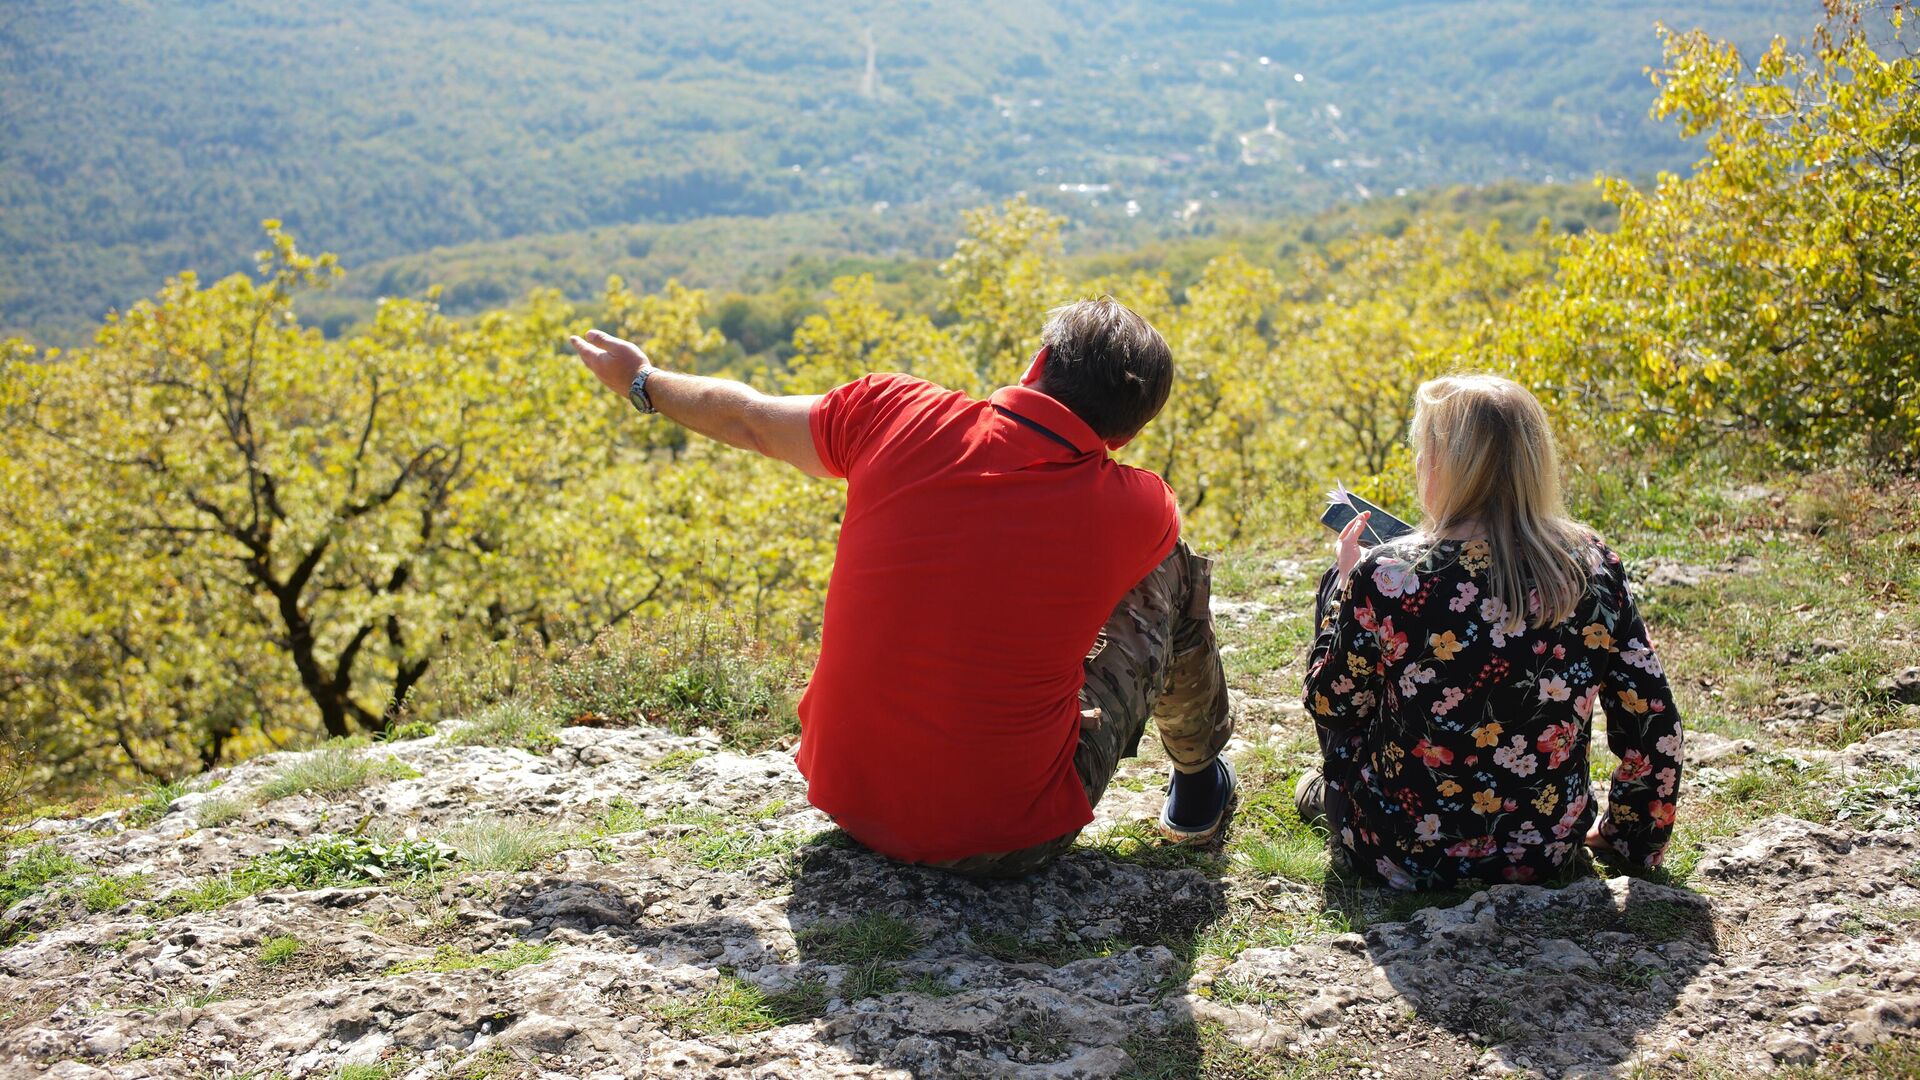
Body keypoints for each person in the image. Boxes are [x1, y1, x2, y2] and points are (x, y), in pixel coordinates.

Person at [568, 298, 1235, 877]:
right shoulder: (1139, 505)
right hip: (1009, 838)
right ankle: (1199, 787)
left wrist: (642, 380)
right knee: (1167, 565)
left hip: (849, 800)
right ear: (1128, 433)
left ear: (1036, 363)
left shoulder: (892, 412)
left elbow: (748, 418)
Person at [1296, 375, 1681, 890]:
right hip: (1544, 849)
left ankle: (1333, 792)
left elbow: (1333, 705)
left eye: (1422, 451)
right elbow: (1653, 724)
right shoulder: (1592, 566)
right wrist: (1631, 839)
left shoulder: (1389, 577)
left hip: (1403, 853)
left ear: (1447, 466)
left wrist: (1345, 589)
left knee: (1337, 590)